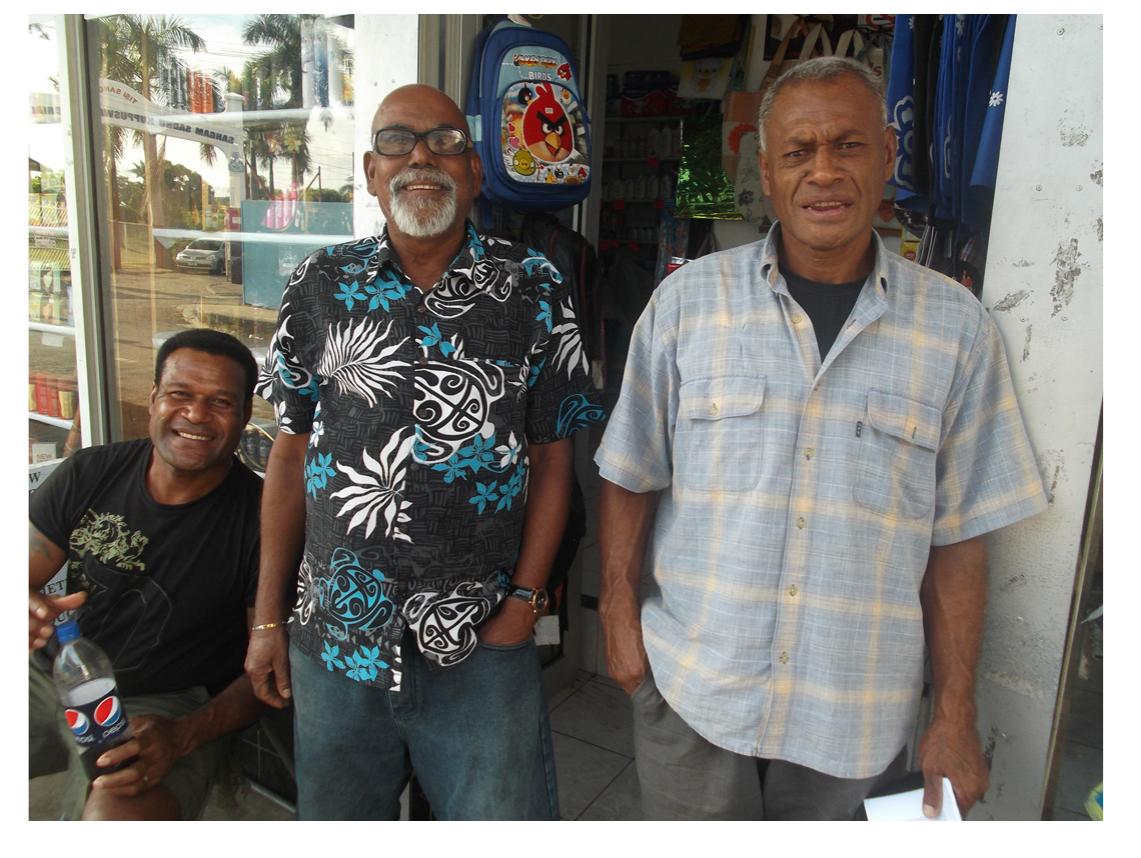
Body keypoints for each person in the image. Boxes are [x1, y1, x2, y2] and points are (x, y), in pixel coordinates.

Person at [594, 57, 1047, 821]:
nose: (824, 172)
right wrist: (616, 620)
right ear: (766, 173)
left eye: (848, 145)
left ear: (888, 160)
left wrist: (953, 714)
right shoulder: (685, 303)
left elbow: (961, 538)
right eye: (798, 152)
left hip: (856, 717)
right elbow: (628, 471)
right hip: (695, 691)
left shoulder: (956, 330)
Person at [245, 84, 604, 820]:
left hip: (481, 640)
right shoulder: (319, 286)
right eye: (396, 142)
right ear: (372, 173)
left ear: (473, 171)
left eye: (443, 141)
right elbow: (289, 454)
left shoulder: (534, 288)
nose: (419, 157)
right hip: (337, 639)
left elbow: (552, 460)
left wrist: (525, 603)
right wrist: (266, 618)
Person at [28, 328, 264, 820]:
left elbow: (267, 674)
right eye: (180, 394)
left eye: (220, 402)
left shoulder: (261, 520)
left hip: (161, 703)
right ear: (154, 397)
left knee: (115, 820)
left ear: (245, 418)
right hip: (49, 669)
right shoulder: (90, 471)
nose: (196, 415)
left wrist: (184, 735)